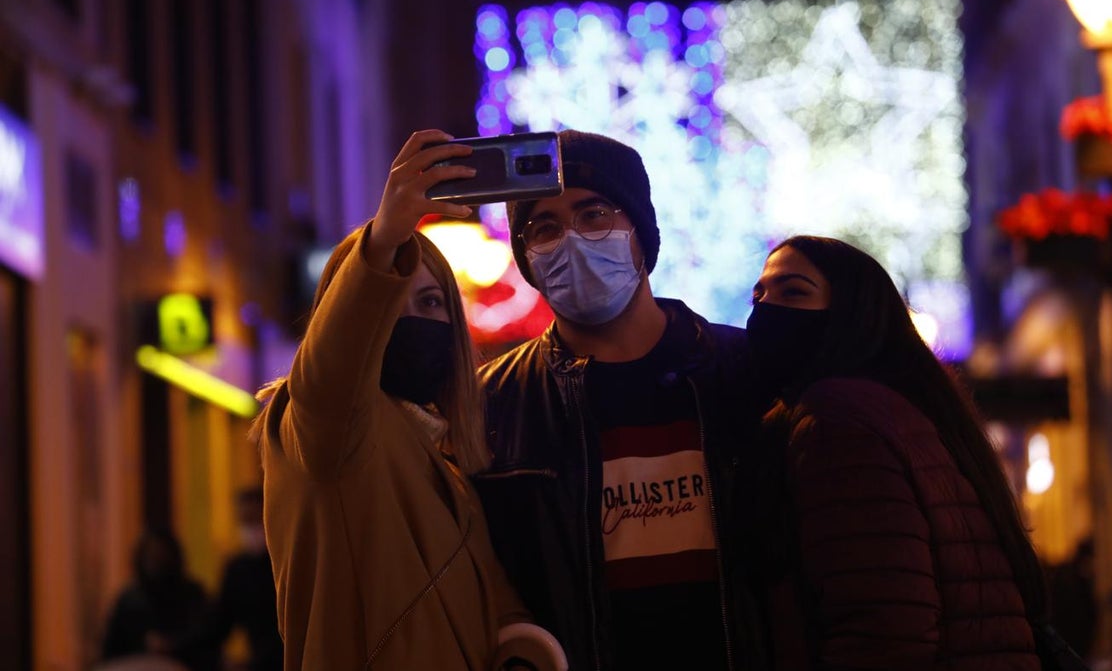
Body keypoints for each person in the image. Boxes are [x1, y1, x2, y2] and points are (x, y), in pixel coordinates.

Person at [251, 130, 566, 671]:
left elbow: (486, 600)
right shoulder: (323, 428)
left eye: (430, 301)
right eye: (392, 302)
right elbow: (331, 373)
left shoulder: (441, 451)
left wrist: (519, 643)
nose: (414, 320)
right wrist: (385, 237)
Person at [473, 129, 769, 671]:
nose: (573, 239)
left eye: (595, 214)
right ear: (527, 259)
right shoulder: (493, 406)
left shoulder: (746, 371)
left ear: (641, 232)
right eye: (545, 227)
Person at [744, 234, 1047, 670]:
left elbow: (881, 630)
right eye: (760, 296)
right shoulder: (910, 413)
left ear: (851, 314)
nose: (767, 310)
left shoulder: (838, 419)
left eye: (794, 292)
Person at [99, 528, 214, 671]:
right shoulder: (128, 601)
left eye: (160, 555)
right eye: (151, 556)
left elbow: (206, 639)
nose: (155, 561)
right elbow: (110, 650)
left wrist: (171, 644)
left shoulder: (193, 596)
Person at [199, 487, 282, 671]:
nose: (249, 528)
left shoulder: (286, 563)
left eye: (254, 519)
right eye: (244, 521)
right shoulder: (237, 569)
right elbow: (220, 622)